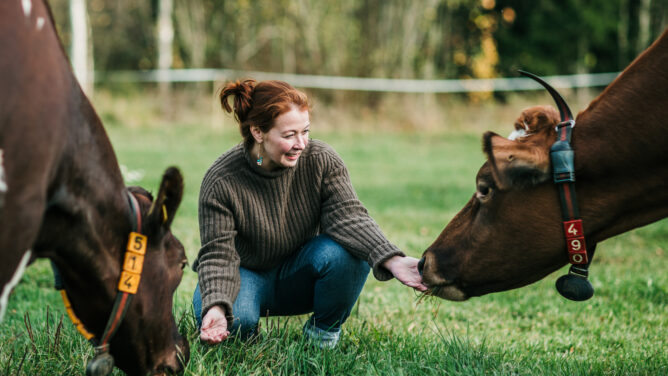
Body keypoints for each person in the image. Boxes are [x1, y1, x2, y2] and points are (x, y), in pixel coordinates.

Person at [192, 79, 426, 348]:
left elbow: (350, 218)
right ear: (258, 132)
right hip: (242, 276)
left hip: (297, 273)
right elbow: (218, 254)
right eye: (289, 135)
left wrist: (392, 260)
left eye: (305, 131)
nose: (301, 143)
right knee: (236, 324)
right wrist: (217, 307)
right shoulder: (222, 180)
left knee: (351, 250)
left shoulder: (320, 160)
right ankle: (242, 330)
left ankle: (321, 335)